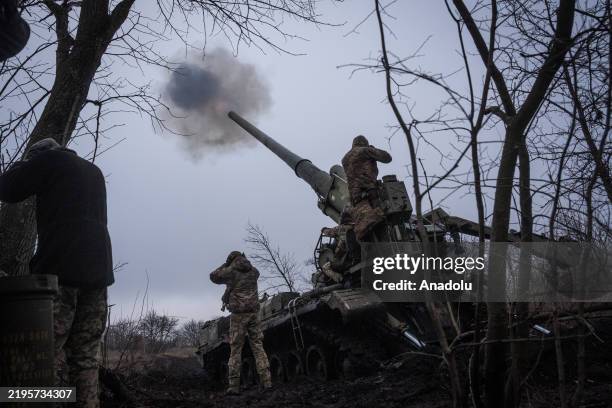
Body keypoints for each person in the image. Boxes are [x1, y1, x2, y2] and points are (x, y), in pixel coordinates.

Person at [0, 138, 113, 408]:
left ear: (39, 156)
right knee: (86, 356)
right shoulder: (93, 170)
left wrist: (25, 165)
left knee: (41, 354)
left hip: (62, 269)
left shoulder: (50, 160)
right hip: (98, 271)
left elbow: (7, 188)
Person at [210, 251, 272, 395]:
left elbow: (213, 276)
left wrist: (226, 264)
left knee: (236, 349)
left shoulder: (230, 271)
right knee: (258, 347)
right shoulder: (254, 271)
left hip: (238, 316)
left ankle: (234, 385)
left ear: (231, 260)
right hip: (254, 314)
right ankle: (267, 381)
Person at [341, 135, 392, 239]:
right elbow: (387, 158)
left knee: (369, 230)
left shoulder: (344, 159)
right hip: (371, 195)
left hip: (356, 200)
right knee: (382, 225)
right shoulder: (365, 150)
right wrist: (372, 149)